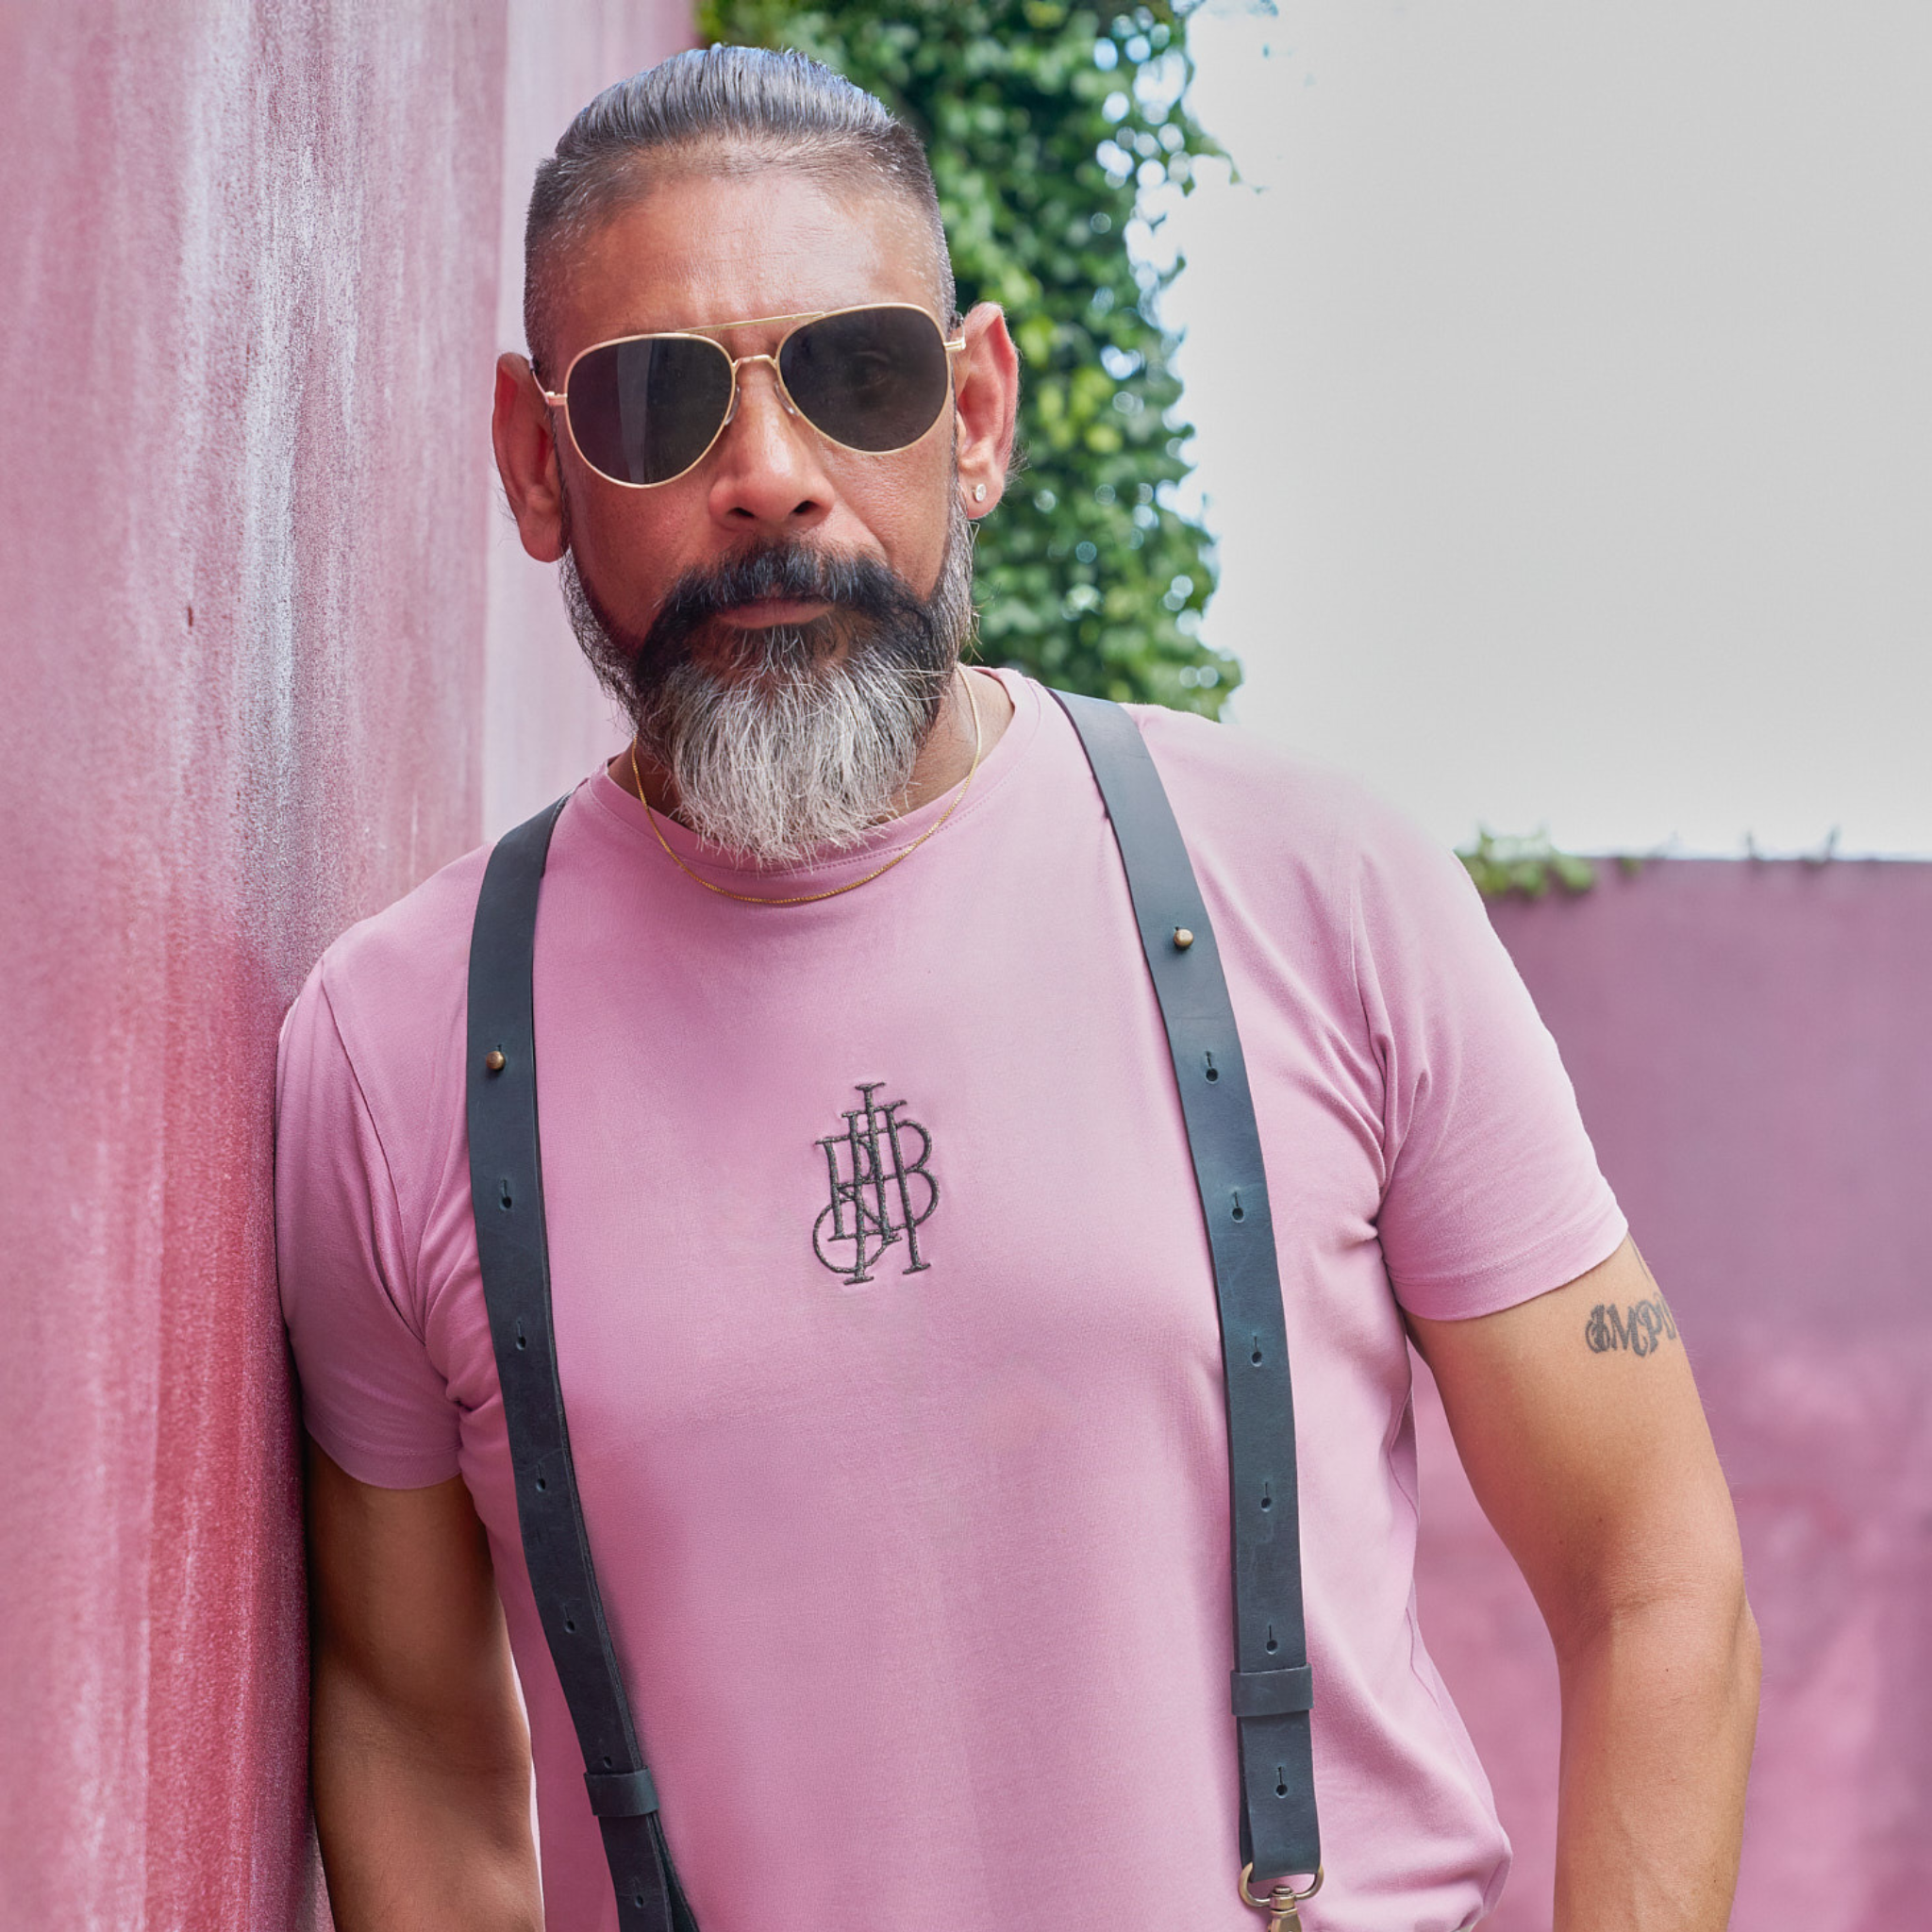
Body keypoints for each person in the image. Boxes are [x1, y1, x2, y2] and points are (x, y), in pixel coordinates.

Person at [276, 44, 1758, 1932]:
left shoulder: (1310, 888)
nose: (770, 478)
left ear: (971, 411)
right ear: (535, 463)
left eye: (857, 376)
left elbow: (1650, 1562)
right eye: (657, 404)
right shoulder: (395, 1058)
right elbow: (411, 1731)